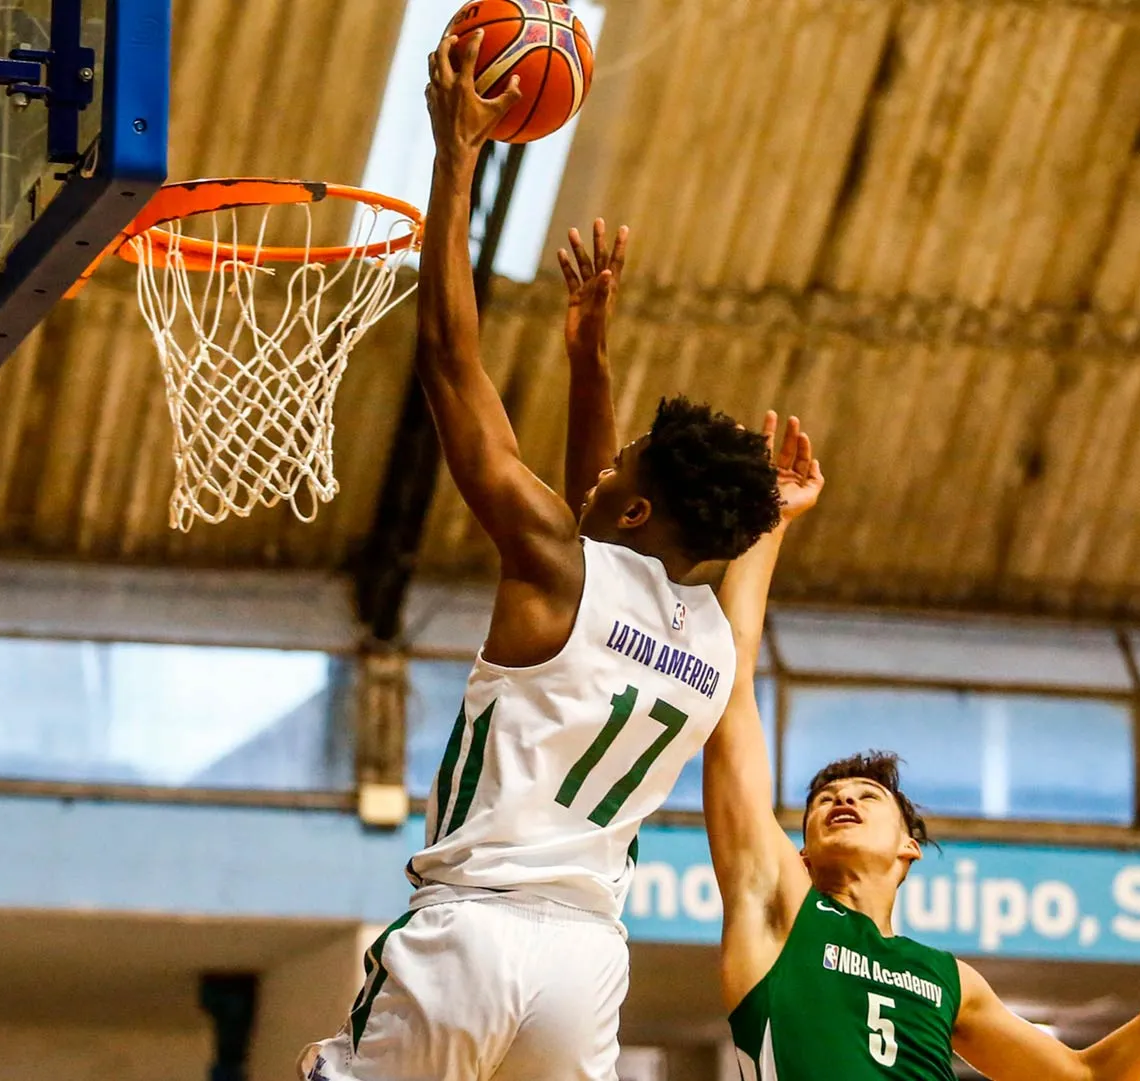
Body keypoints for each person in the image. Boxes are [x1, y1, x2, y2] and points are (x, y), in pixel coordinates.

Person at [303, 31, 783, 1081]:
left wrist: (455, 157)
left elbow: (447, 362)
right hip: (585, 964)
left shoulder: (555, 565)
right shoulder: (710, 644)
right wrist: (587, 355)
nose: (598, 471)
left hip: (471, 930)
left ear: (640, 499)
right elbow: (607, 519)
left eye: (621, 467)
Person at [707, 426, 1140, 1079]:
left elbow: (1089, 1077)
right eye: (823, 800)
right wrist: (770, 522)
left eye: (868, 796)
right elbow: (729, 690)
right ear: (803, 850)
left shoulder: (950, 980)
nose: (842, 797)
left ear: (909, 848)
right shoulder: (778, 900)